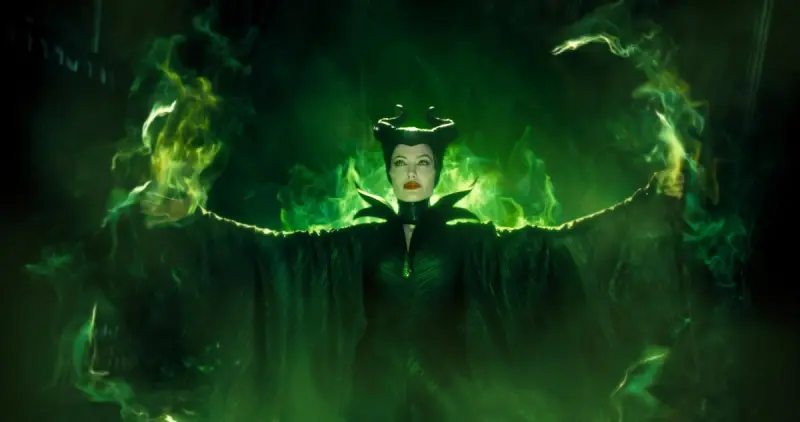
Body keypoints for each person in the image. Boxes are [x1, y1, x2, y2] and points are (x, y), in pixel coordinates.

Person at [80, 105, 686, 421]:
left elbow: (553, 252)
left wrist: (645, 202)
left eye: (423, 163)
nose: (412, 173)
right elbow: (273, 254)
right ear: (390, 173)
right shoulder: (358, 242)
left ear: (437, 171)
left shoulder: (472, 243)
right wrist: (198, 220)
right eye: (401, 164)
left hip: (452, 397)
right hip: (369, 399)